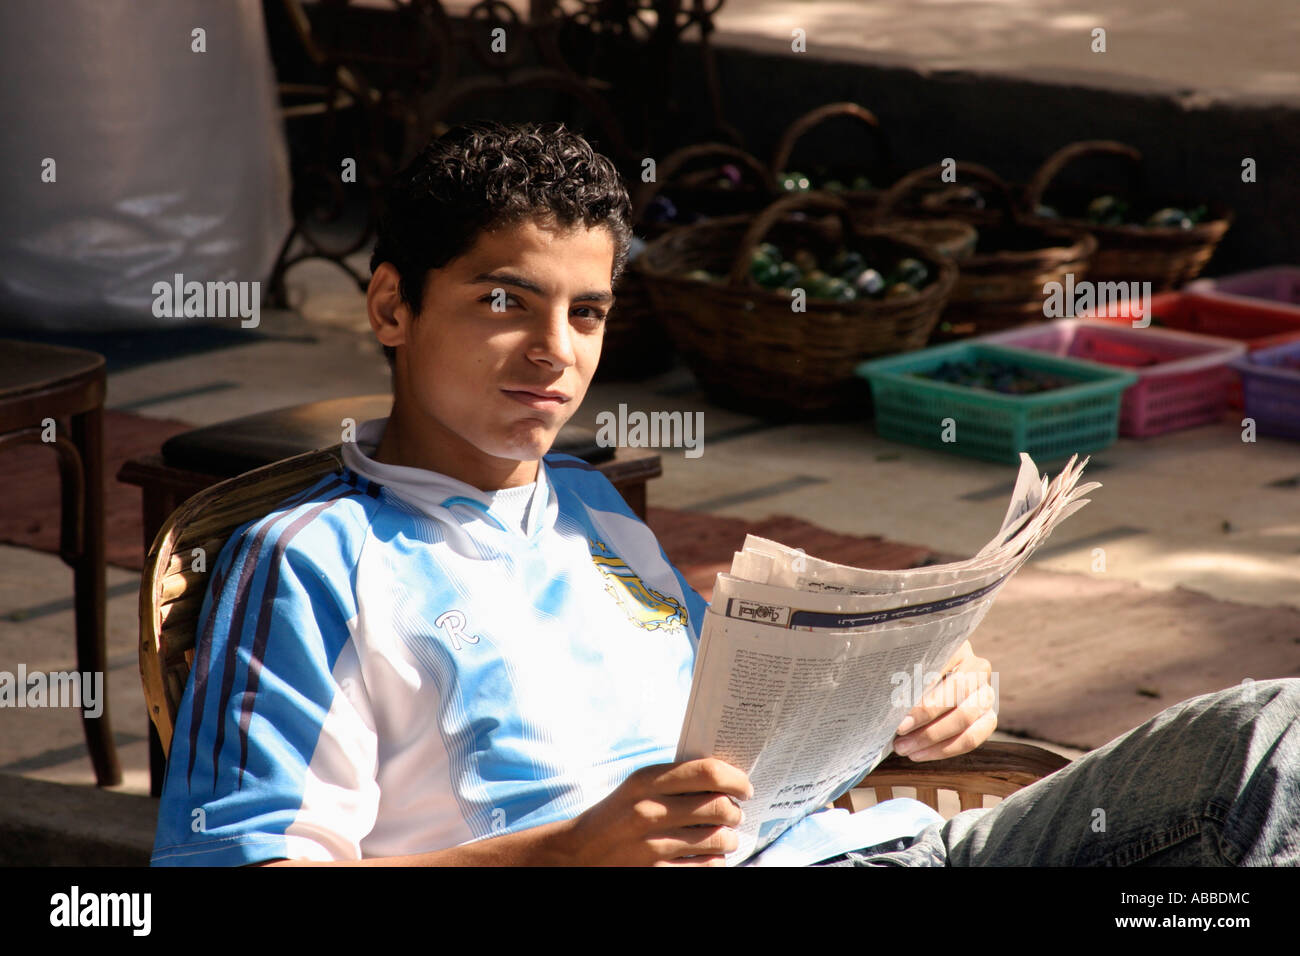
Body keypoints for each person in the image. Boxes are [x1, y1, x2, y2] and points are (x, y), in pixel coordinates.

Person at [151, 120, 1300, 867]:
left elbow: (741, 741)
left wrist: (916, 695)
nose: (554, 350)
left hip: (895, 848)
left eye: (587, 312)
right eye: (505, 301)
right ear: (393, 307)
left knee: (1272, 739)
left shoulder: (594, 513)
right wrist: (561, 854)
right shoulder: (309, 560)